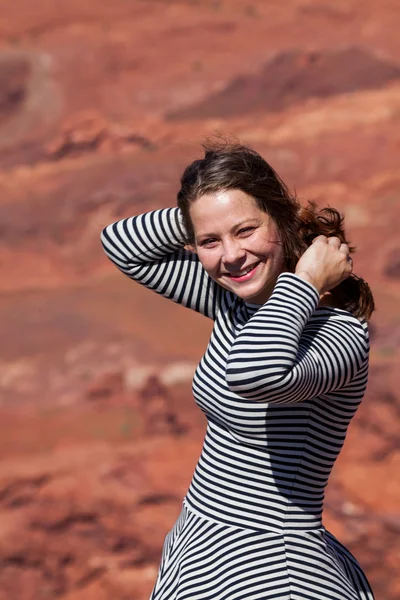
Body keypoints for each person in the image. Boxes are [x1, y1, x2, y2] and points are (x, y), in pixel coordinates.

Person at [101, 141, 375, 600]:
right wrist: (209, 211)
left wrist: (305, 280)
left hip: (273, 570)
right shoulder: (238, 301)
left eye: (246, 230)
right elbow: (122, 245)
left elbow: (254, 374)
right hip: (202, 552)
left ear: (280, 221)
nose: (231, 256)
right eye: (210, 241)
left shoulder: (340, 336)